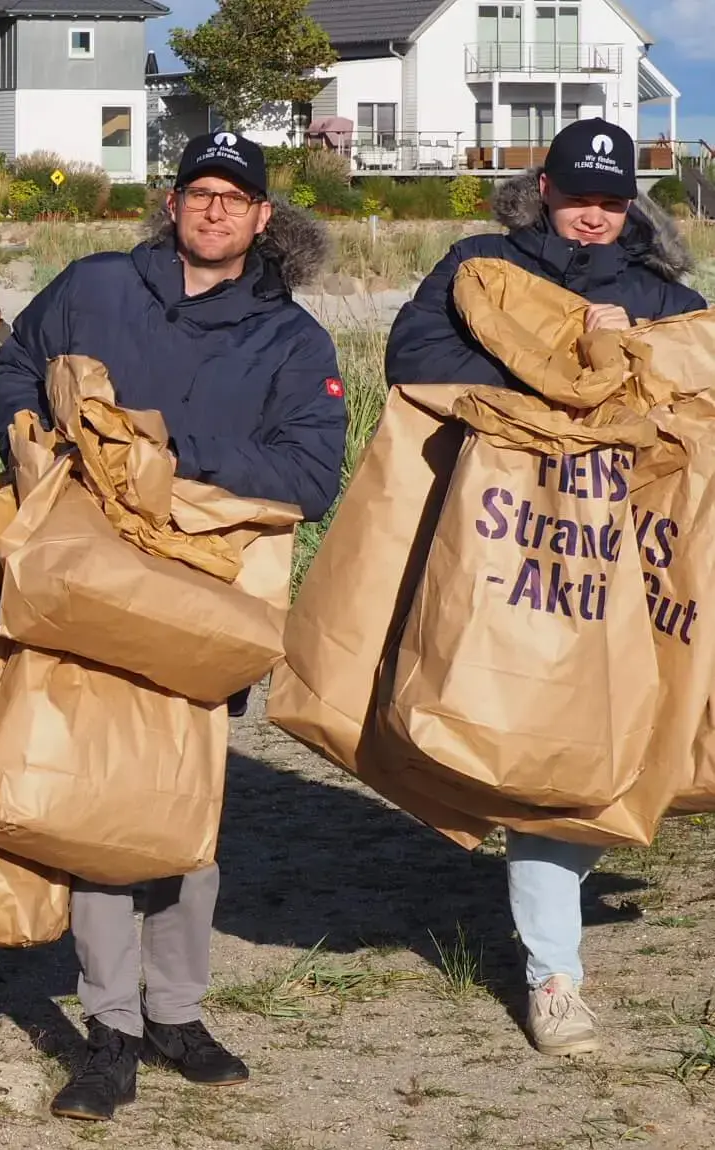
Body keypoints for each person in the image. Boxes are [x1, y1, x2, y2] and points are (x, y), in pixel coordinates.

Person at [0, 131, 345, 1122]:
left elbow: (311, 473)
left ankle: (175, 1012)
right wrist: (27, 442)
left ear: (264, 217)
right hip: (84, 589)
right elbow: (16, 366)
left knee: (184, 813)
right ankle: (110, 1029)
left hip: (201, 605)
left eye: (235, 197)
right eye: (200, 192)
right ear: (172, 201)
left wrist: (167, 450)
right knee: (100, 808)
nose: (215, 209)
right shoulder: (96, 287)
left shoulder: (291, 340)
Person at [385, 118, 704, 1059]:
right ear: (543, 190)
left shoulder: (660, 294)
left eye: (611, 201)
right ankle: (553, 978)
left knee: (583, 741)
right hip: (499, 545)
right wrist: (552, 371)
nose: (594, 216)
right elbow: (414, 362)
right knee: (543, 744)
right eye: (578, 197)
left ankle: (549, 951)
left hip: (617, 556)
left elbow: (692, 409)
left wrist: (633, 352)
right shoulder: (480, 263)